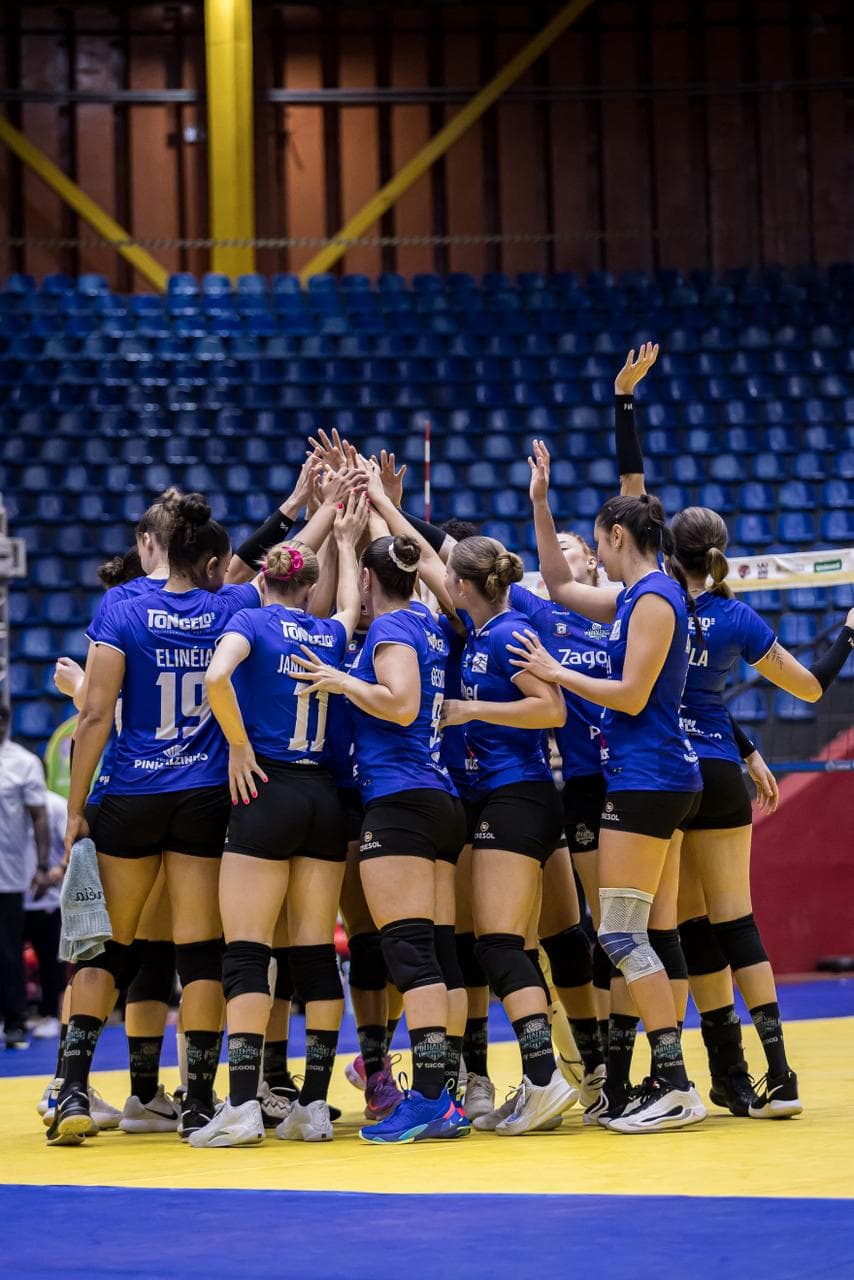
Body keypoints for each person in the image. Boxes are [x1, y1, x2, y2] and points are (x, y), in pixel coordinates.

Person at [50, 494, 263, 1146]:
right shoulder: (231, 605)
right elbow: (275, 566)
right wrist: (315, 507)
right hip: (202, 795)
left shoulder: (121, 609)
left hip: (132, 794)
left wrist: (76, 810)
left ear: (159, 548)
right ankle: (198, 1104)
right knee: (200, 954)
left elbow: (92, 717)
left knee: (108, 949)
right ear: (210, 559)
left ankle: (70, 1091)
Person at [509, 490, 707, 1133]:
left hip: (649, 779)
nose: (593, 550)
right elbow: (561, 584)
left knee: (622, 935)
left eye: (597, 539)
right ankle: (665, 1080)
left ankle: (676, 1084)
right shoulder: (635, 597)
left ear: (619, 536)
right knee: (639, 933)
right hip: (655, 778)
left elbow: (628, 696)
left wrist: (553, 670)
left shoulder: (652, 598)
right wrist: (540, 503)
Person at [189, 496, 366, 1147]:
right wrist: (347, 541)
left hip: (264, 788)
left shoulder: (250, 621)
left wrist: (237, 744)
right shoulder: (327, 632)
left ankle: (239, 1105)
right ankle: (313, 1107)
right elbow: (349, 606)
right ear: (309, 585)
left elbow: (215, 676)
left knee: (246, 952)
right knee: (315, 954)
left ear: (264, 580)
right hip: (321, 795)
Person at [671, 506, 854, 1120]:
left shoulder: (651, 607)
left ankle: (725, 1074)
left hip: (667, 773)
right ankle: (777, 1073)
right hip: (720, 772)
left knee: (686, 928)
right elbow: (810, 688)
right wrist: (849, 632)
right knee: (736, 921)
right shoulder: (735, 616)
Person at [293, 533, 471, 1145]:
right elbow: (428, 561)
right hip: (439, 800)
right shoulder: (425, 616)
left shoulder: (393, 633)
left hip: (398, 805)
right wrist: (354, 535)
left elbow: (400, 704)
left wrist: (339, 682)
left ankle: (427, 1099)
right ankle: (445, 1095)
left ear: (368, 582)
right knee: (439, 958)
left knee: (411, 957)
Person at [439, 536, 576, 1136]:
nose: (442, 579)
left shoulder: (508, 632)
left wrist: (472, 713)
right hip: (507, 796)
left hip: (518, 796)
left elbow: (551, 710)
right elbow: (419, 559)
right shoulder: (480, 631)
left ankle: (546, 1080)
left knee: (497, 945)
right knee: (507, 945)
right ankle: (542, 1079)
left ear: (465, 586)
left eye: (449, 573)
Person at [0, 702, 51, 1050]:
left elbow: (40, 817)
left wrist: (44, 865)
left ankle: (15, 1023)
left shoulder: (23, 763)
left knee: (8, 952)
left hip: (7, 876)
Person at [24, 787, 68, 1039]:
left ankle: (52, 1014)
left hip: (48, 898)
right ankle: (12, 1017)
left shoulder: (55, 805)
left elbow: (70, 843)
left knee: (50, 961)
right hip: (13, 893)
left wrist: (57, 871)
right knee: (8, 961)